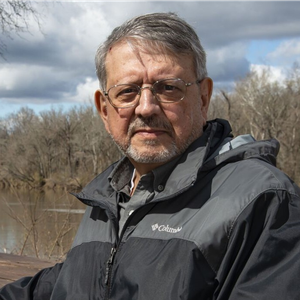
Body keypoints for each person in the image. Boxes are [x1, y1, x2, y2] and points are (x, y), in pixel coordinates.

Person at [1, 12, 300, 300]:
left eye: (168, 88)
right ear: (105, 110)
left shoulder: (265, 202)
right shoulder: (109, 195)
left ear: (204, 98)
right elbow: (73, 282)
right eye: (127, 91)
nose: (146, 107)